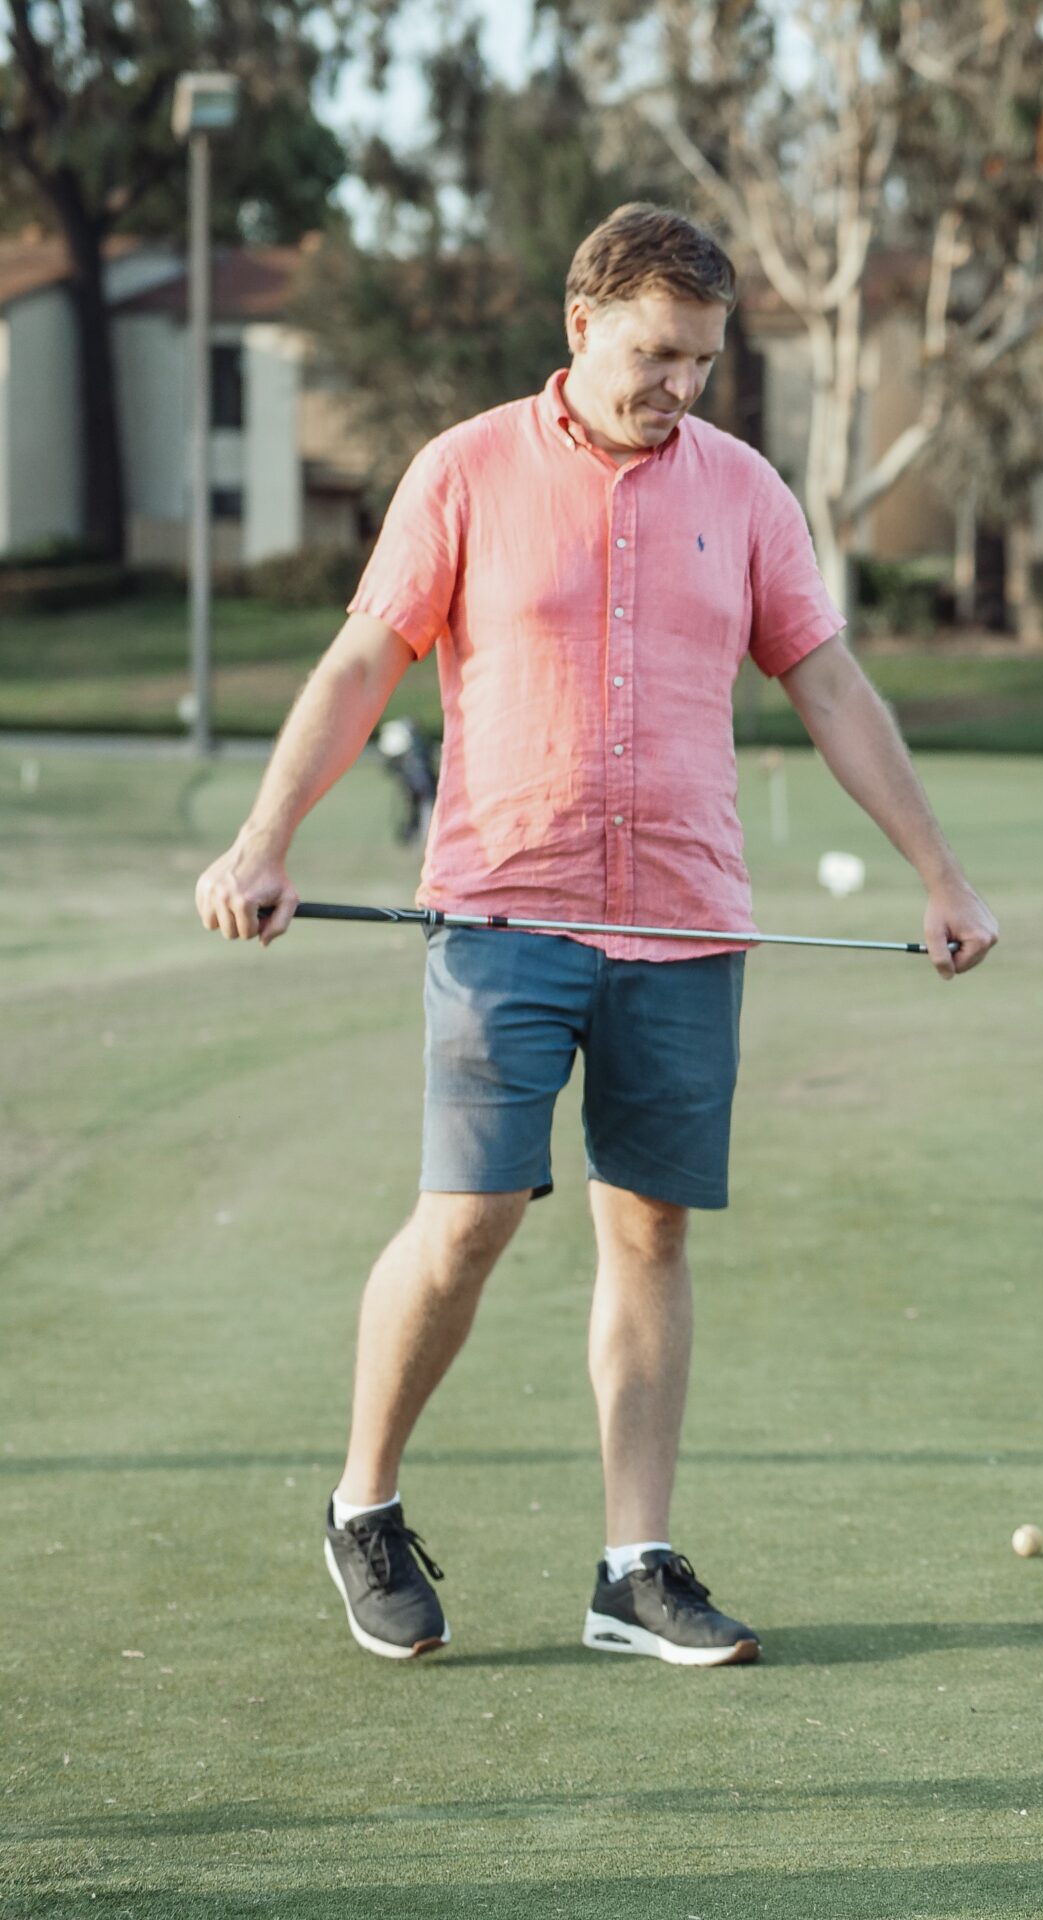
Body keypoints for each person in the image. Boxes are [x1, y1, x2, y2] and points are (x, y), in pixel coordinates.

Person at [193, 204, 999, 1667]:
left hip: (686, 921)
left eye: (699, 359)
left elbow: (829, 687)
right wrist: (265, 838)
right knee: (470, 1221)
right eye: (652, 353)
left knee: (651, 1228)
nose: (676, 384)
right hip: (505, 908)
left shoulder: (747, 494)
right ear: (580, 329)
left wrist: (940, 873)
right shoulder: (466, 471)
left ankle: (636, 1568)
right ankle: (363, 1504)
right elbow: (363, 660)